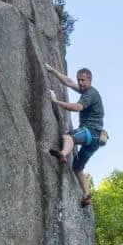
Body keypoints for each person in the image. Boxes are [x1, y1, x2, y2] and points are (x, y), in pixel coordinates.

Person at [45, 63, 105, 207]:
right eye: (79, 79)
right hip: (95, 141)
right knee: (77, 167)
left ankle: (63, 153)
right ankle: (86, 195)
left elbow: (77, 107)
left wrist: (55, 101)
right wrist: (53, 71)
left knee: (68, 136)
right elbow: (69, 82)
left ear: (89, 81)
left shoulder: (90, 93)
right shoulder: (86, 91)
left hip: (91, 133)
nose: (80, 82)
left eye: (83, 80)